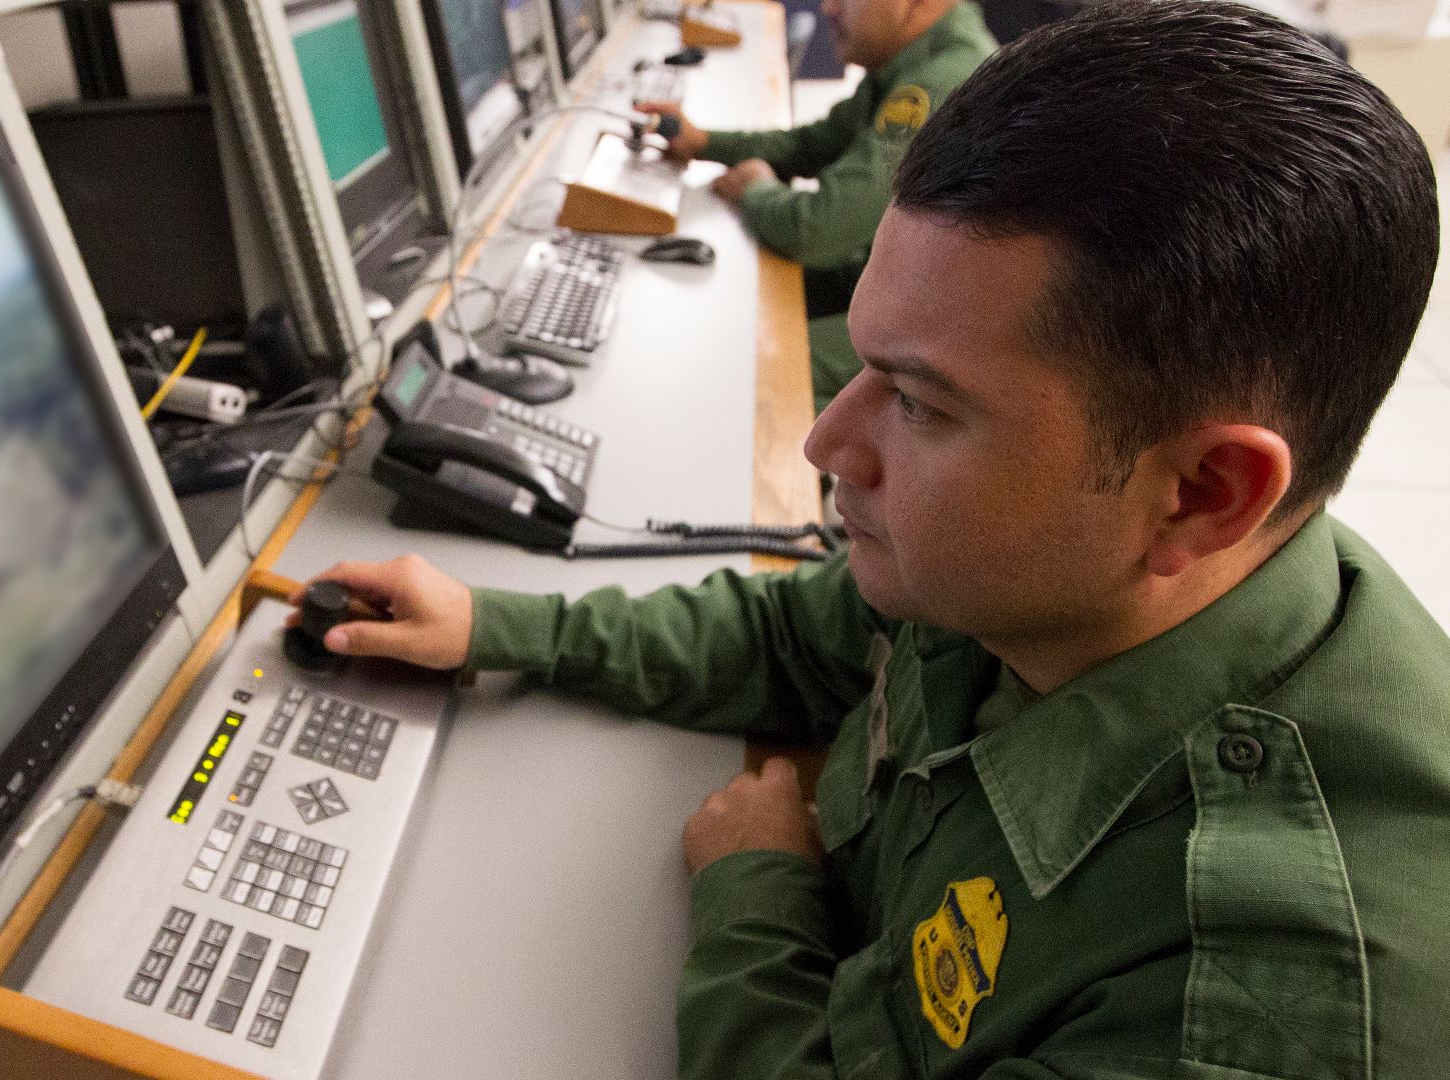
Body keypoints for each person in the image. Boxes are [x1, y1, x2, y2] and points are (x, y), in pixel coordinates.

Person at [295, 2, 1449, 1076]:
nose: (828, 446)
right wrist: (495, 623)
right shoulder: (1037, 565)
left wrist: (758, 900)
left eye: (921, 402)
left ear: (1203, 493)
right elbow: (799, 635)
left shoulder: (1255, 996)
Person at [643, 0, 996, 409]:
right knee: (736, 309)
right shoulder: (921, 55)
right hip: (914, 285)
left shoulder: (938, 83)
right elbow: (814, 144)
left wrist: (756, 190)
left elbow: (818, 229)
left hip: (947, 332)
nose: (828, 8)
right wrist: (706, 143)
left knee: (754, 370)